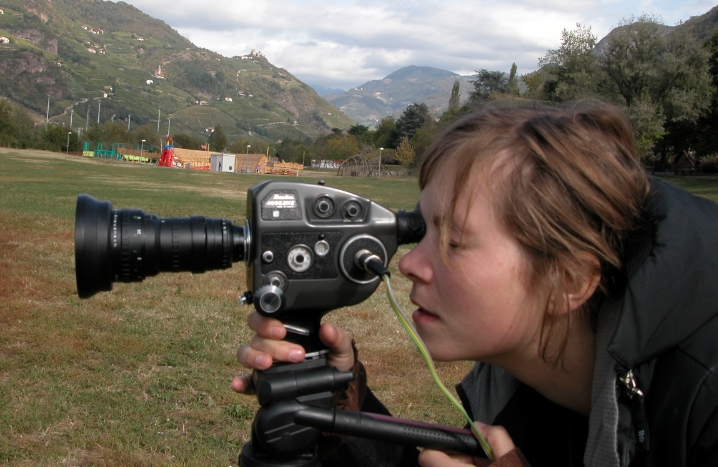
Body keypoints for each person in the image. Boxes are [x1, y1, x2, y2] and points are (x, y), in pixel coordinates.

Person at [232, 103, 718, 467]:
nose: (409, 264)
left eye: (455, 241)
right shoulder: (518, 379)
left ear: (569, 279)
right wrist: (346, 406)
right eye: (422, 231)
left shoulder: (706, 404)